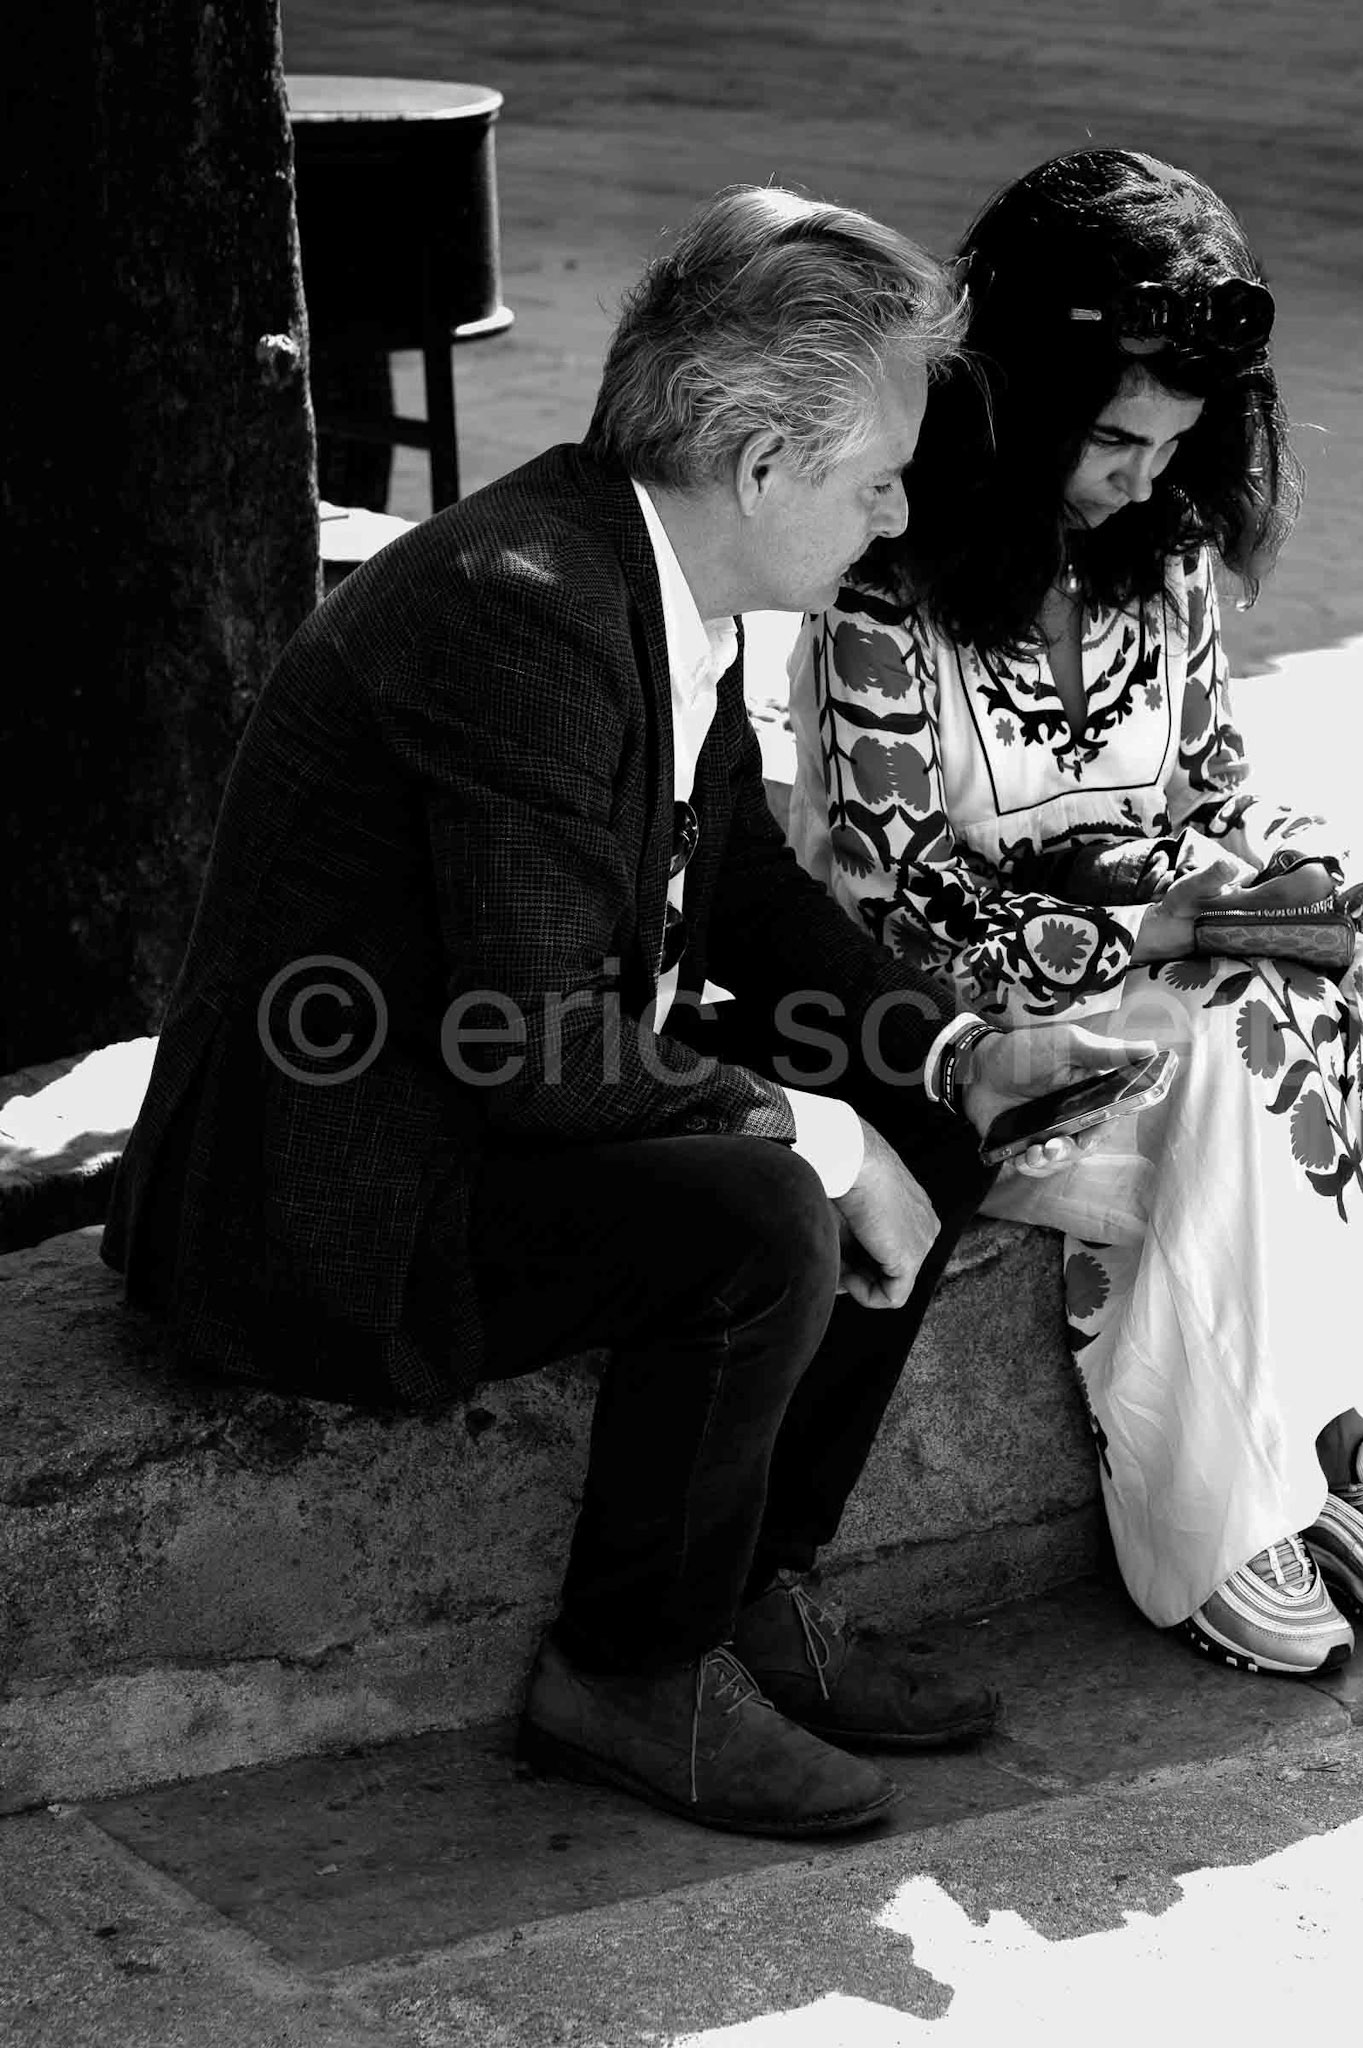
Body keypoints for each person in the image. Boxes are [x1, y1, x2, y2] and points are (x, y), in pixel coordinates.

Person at [101, 185, 1150, 1840]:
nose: (896, 511)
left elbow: (742, 888)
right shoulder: (518, 604)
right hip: (336, 1201)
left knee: (922, 1111)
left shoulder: (655, 576)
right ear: (763, 468)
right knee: (766, 1207)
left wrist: (955, 1052)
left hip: (475, 1099)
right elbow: (540, 1053)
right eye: (876, 477)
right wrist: (820, 1141)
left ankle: (753, 1589)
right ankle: (629, 1676)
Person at [790, 150, 1363, 1680]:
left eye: (1176, 444)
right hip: (959, 1022)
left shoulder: (1166, 554)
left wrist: (1285, 876)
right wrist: (1156, 933)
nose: (1142, 479)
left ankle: (1353, 1448)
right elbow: (890, 896)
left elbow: (1210, 794)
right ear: (1011, 401)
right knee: (1239, 1058)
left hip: (1170, 959)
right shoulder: (877, 581)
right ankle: (1223, 1511)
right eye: (1114, 438)